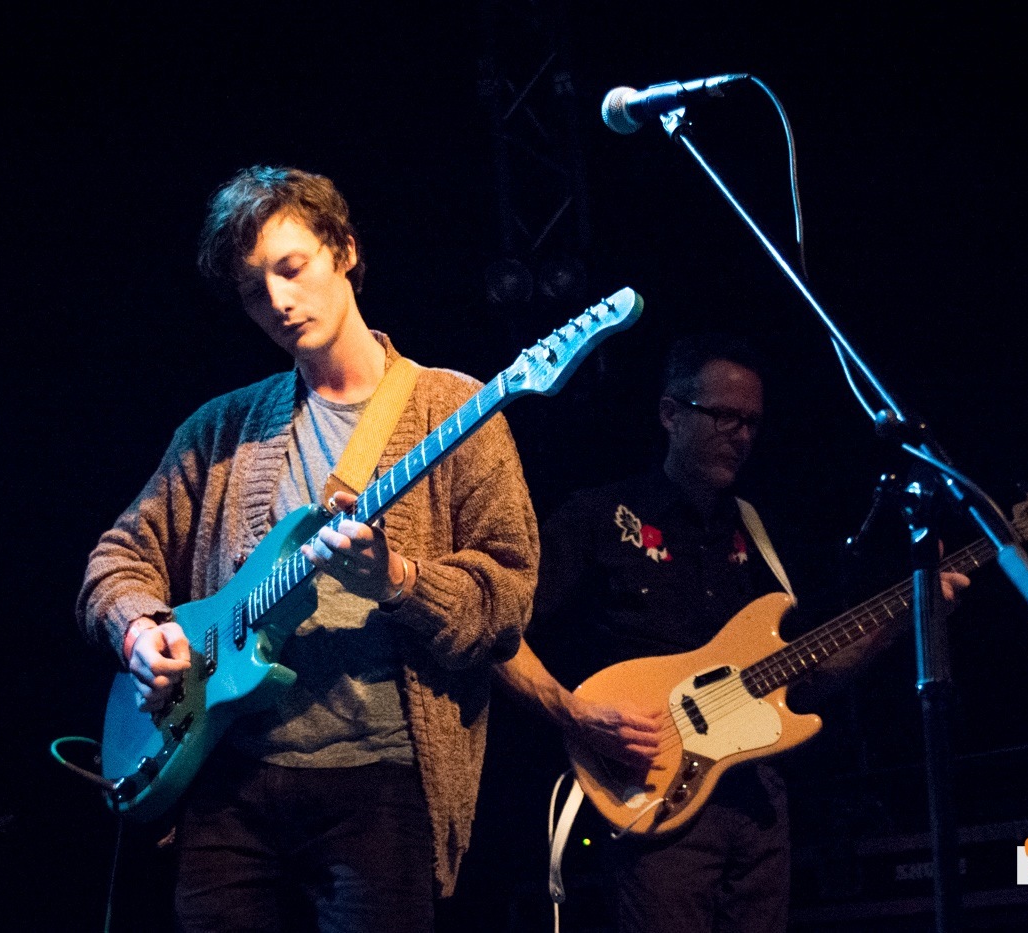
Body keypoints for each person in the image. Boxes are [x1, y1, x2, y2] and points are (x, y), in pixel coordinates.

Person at [78, 166, 538, 932]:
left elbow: (509, 597)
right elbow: (116, 556)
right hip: (228, 789)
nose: (279, 302)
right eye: (256, 290)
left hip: (380, 790)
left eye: (291, 269)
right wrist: (138, 628)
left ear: (346, 251)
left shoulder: (453, 406)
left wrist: (400, 578)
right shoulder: (223, 428)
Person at [494, 334, 968, 933]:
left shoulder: (756, 529)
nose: (741, 436)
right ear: (670, 413)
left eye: (751, 422)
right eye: (723, 416)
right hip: (653, 795)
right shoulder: (599, 515)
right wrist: (576, 715)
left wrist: (903, 616)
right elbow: (500, 628)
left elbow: (807, 682)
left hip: (758, 807)